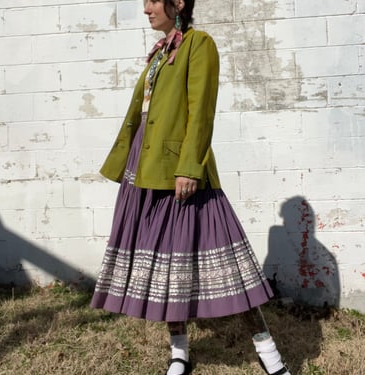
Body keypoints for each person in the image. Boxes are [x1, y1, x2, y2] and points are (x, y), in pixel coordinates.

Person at [90, 1, 291, 374]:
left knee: (230, 268)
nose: (146, 8)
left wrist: (189, 167)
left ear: (178, 2)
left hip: (182, 172)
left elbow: (202, 110)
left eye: (153, 0)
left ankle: (270, 356)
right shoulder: (159, 54)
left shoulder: (199, 44)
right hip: (144, 173)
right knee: (170, 268)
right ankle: (179, 351)